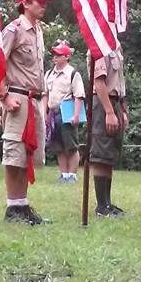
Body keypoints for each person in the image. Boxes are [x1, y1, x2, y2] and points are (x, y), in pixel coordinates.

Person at [0, 0, 53, 225]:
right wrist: (4, 96)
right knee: (13, 154)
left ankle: (22, 205)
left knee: (26, 155)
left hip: (34, 99)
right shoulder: (13, 30)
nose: (43, 6)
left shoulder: (37, 30)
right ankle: (12, 208)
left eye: (44, 1)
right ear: (25, 4)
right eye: (38, 1)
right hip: (17, 97)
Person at [90, 44, 128, 217]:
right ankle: (101, 206)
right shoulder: (98, 45)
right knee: (100, 154)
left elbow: (120, 82)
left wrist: (123, 111)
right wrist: (109, 112)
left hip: (115, 102)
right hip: (103, 104)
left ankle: (107, 203)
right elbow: (99, 83)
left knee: (109, 154)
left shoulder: (115, 47)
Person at [45, 41, 85, 184]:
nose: (55, 57)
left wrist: (75, 115)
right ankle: (64, 174)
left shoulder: (73, 74)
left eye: (59, 55)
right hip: (53, 113)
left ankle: (72, 175)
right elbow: (45, 95)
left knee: (71, 145)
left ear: (67, 57)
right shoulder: (49, 74)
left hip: (67, 112)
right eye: (54, 54)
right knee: (58, 146)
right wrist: (45, 113)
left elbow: (79, 95)